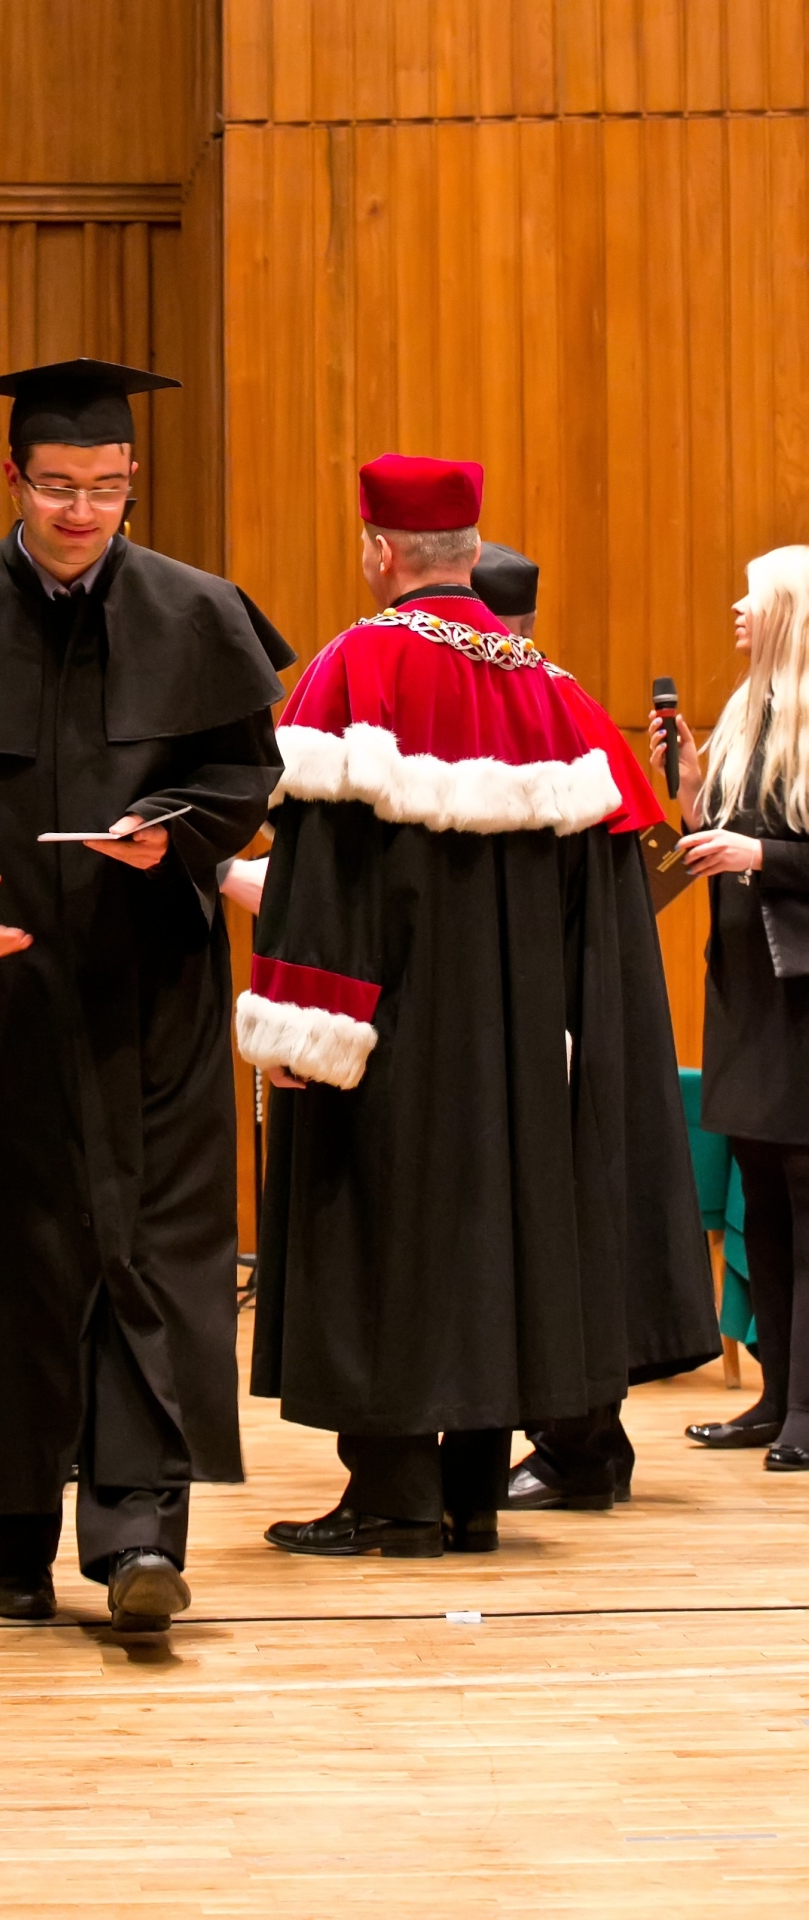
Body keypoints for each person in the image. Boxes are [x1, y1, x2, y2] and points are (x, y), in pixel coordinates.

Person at [0, 356, 292, 1632]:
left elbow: (239, 776)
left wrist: (174, 831)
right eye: (59, 486)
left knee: (155, 1258)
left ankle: (138, 1539)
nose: (83, 512)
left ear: (133, 481)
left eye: (108, 487)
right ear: (11, 476)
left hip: (151, 1001)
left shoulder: (195, 613)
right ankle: (16, 1532)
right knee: (5, 1268)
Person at [237, 452, 717, 1559]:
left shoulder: (355, 670)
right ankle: (467, 1499)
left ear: (379, 551)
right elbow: (607, 910)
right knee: (491, 1253)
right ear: (466, 549)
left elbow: (323, 877)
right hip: (517, 1050)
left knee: (383, 1247)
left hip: (391, 1032)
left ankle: (390, 1497)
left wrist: (300, 1027)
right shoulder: (554, 693)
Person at [471, 542, 638, 1512]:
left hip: (551, 1014)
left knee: (558, 1226)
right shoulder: (563, 703)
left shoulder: (527, 707)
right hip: (571, 1002)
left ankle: (581, 1447)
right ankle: (582, 1443)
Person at [667, 547, 809, 1472]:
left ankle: (808, 1411)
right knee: (762, 1197)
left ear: (790, 610)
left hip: (802, 1000)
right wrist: (689, 791)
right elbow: (715, 843)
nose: (736, 607)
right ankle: (776, 1396)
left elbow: (761, 852)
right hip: (748, 993)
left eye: (752, 597)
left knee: (806, 1200)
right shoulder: (747, 715)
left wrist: (760, 856)